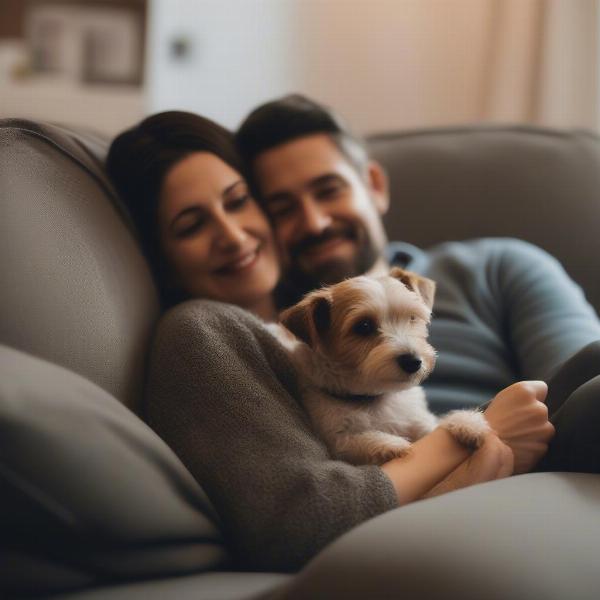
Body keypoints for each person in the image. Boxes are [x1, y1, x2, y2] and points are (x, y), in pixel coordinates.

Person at [106, 110, 552, 572]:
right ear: (161, 257)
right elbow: (298, 520)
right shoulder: (209, 333)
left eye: (238, 201)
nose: (233, 235)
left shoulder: (497, 264)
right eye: (191, 225)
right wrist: (481, 436)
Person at [235, 93, 600, 475]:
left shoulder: (500, 265)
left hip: (546, 462)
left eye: (329, 190)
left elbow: (584, 380)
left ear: (374, 185)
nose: (315, 222)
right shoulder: (276, 341)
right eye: (283, 208)